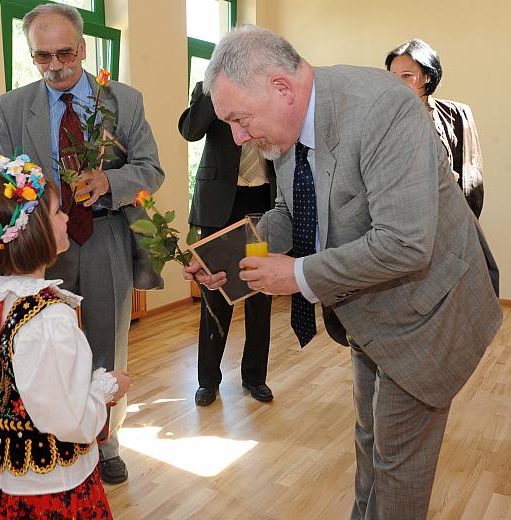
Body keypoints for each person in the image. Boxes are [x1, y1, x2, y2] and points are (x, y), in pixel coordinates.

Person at [185, 25, 501, 520]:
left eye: (240, 119)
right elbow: (291, 214)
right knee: (370, 436)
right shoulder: (286, 129)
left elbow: (404, 244)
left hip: (427, 309)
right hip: (366, 307)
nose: (239, 136)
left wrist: (297, 276)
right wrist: (229, 257)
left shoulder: (383, 109)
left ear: (281, 88)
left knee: (398, 463)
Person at [0, 3, 164, 484]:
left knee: (108, 340)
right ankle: (58, 436)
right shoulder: (11, 106)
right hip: (43, 245)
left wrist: (108, 181)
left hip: (106, 232)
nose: (54, 65)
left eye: (63, 53)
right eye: (41, 57)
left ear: (84, 48)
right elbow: (2, 182)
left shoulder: (123, 101)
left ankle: (106, 440)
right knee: (47, 344)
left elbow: (152, 169)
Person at [0, 155, 130, 518]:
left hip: (13, 477)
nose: (68, 217)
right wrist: (106, 388)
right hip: (54, 484)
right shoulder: (49, 318)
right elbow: (70, 420)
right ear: (30, 230)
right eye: (56, 212)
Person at [179, 81, 276, 406]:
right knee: (214, 294)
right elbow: (190, 130)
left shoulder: (270, 91)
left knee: (260, 293)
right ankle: (208, 380)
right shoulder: (208, 88)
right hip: (220, 203)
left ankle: (254, 378)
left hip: (264, 197)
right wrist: (212, 86)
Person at [386, 38, 484, 217]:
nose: (398, 84)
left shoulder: (456, 114)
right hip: (400, 221)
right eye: (393, 77)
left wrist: (465, 223)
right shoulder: (381, 118)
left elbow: (471, 179)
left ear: (428, 76)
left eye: (407, 76)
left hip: (448, 218)